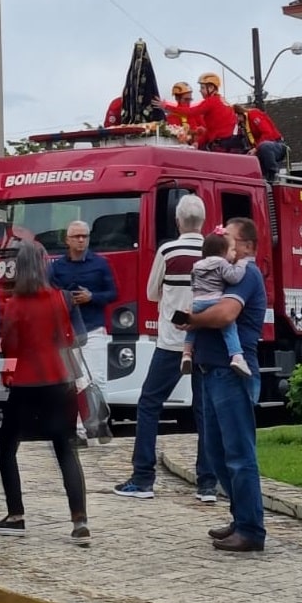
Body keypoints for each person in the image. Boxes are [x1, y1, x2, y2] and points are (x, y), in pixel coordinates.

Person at [114, 194, 217, 501]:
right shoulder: (212, 251)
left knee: (149, 403)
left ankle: (143, 477)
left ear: (177, 221)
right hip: (206, 341)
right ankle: (208, 483)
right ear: (203, 221)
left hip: (172, 342)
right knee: (205, 411)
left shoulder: (168, 250)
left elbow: (151, 293)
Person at [0, 240, 90, 545]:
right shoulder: (62, 299)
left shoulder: (14, 305)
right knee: (65, 450)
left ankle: (16, 514)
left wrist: (7, 373)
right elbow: (72, 338)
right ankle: (79, 520)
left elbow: (9, 345)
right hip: (60, 381)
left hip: (25, 384)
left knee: (7, 448)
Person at [184, 217, 266, 552]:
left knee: (237, 453)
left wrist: (190, 319)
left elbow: (224, 316)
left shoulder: (246, 273)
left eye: (229, 240)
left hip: (231, 374)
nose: (223, 245)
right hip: (210, 370)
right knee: (217, 454)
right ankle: (240, 517)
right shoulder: (222, 272)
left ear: (247, 246)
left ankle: (250, 529)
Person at [47, 219, 117, 442]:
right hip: (68, 332)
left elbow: (113, 293)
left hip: (94, 328)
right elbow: (49, 295)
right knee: (74, 382)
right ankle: (78, 431)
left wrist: (92, 297)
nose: (80, 240)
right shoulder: (56, 267)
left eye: (84, 236)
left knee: (96, 378)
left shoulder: (100, 264)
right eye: (76, 236)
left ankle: (99, 425)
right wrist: (66, 300)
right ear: (67, 240)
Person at [183, 232, 250, 377]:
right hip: (214, 300)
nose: (234, 253)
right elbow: (233, 278)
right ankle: (237, 356)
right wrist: (241, 264)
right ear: (222, 251)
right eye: (232, 250)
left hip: (197, 300)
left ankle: (186, 354)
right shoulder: (221, 263)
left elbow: (193, 284)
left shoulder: (196, 265)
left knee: (191, 330)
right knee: (229, 329)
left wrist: (186, 316)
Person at [159, 73, 238, 150]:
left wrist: (167, 106)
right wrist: (198, 142)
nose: (200, 91)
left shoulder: (210, 102)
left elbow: (191, 112)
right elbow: (210, 130)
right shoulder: (223, 102)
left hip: (218, 146)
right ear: (177, 98)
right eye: (186, 99)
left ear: (210, 88)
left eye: (202, 88)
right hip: (224, 145)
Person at [233, 103, 286, 182]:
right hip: (260, 150)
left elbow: (268, 133)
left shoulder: (253, 114)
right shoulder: (242, 126)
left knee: (264, 146)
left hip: (276, 145)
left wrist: (255, 149)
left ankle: (273, 173)